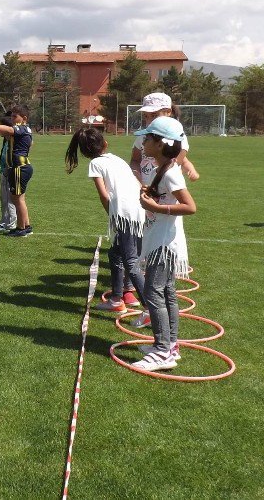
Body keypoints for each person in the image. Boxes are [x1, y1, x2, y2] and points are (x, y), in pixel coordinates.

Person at [129, 116, 196, 372]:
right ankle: (169, 345)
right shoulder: (162, 169)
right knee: (165, 292)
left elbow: (190, 206)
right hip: (160, 239)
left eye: (148, 138)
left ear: (159, 144)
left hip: (166, 243)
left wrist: (156, 206)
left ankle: (162, 350)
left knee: (154, 293)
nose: (143, 142)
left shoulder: (171, 173)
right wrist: (150, 194)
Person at [66, 127, 145, 313]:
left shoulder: (95, 164)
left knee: (131, 261)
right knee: (115, 254)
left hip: (125, 214)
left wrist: (113, 217)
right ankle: (117, 299)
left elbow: (103, 195)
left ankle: (150, 308)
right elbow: (136, 184)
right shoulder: (117, 159)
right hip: (140, 211)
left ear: (85, 153)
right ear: (105, 144)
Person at [0, 105, 33, 236]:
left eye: (15, 116)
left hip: (19, 168)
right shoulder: (20, 130)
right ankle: (26, 225)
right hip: (20, 168)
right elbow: (4, 131)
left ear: (24, 118)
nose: (12, 119)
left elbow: (7, 129)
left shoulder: (22, 128)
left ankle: (21, 229)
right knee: (20, 198)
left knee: (17, 199)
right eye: (12, 116)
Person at [130, 92, 200, 183]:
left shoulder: (178, 138)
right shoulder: (142, 136)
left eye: (154, 115)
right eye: (146, 116)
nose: (149, 120)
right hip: (144, 188)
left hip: (166, 189)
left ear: (168, 112)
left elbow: (175, 163)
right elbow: (135, 160)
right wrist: (137, 178)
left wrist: (191, 170)